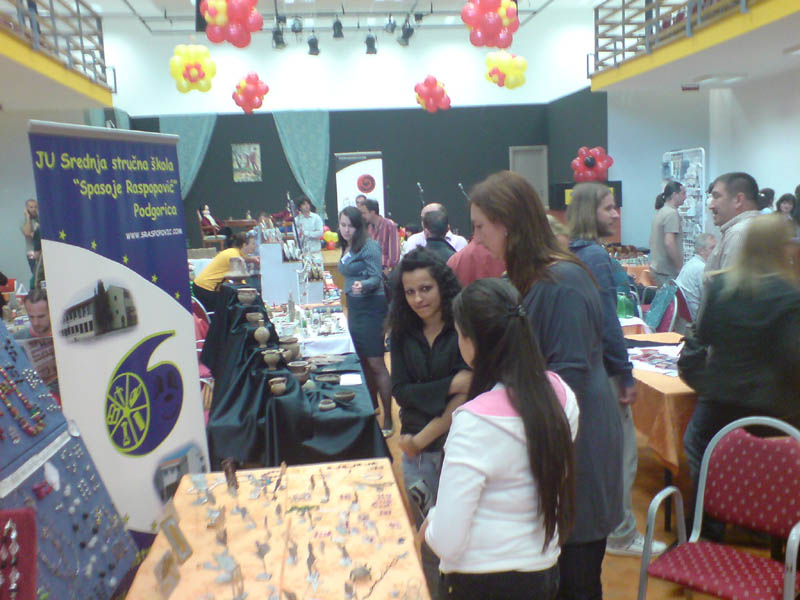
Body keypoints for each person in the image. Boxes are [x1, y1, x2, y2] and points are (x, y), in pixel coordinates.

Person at [469, 170, 622, 600]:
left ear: (507, 223)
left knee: (576, 576)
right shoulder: (537, 278)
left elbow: (565, 385)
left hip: (578, 446)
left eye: (480, 226)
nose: (476, 239)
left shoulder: (562, 282)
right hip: (559, 440)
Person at [422, 278, 579, 600]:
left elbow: (448, 541)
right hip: (543, 569)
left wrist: (431, 522)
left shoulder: (474, 423)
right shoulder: (562, 396)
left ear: (471, 343)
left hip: (480, 580)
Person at [683, 214, 800, 540]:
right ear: (782, 248)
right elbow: (793, 358)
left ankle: (707, 527)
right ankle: (764, 523)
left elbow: (704, 335)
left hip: (720, 397)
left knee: (701, 451)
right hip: (772, 406)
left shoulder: (722, 287)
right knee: (771, 461)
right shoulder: (790, 296)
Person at [566, 183, 665, 558]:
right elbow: (608, 323)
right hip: (603, 371)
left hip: (582, 368)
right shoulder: (595, 257)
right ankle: (620, 534)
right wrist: (624, 374)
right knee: (620, 457)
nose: (616, 213)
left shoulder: (571, 253)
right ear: (590, 212)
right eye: (608, 208)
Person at [388, 247, 470, 598]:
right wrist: (451, 384)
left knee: (460, 537)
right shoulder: (402, 333)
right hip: (416, 453)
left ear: (442, 287)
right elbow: (401, 391)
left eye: (426, 289)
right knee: (426, 536)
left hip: (456, 447)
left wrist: (424, 434)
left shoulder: (462, 328)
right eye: (410, 292)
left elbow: (470, 393)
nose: (418, 299)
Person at [337, 206, 394, 436]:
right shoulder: (347, 246)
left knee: (376, 362)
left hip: (371, 308)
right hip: (355, 308)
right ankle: (373, 407)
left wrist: (364, 285)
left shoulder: (369, 246)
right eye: (342, 225)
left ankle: (389, 418)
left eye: (350, 226)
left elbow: (376, 276)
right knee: (363, 361)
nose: (346, 230)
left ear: (359, 226)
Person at [705, 171, 763, 273]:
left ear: (738, 200)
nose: (711, 206)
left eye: (716, 196)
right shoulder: (756, 226)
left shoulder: (738, 234)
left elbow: (730, 282)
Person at [192, 232, 260, 312]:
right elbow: (239, 276)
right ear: (244, 245)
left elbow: (243, 258)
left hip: (202, 284)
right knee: (222, 311)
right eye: (253, 244)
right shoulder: (234, 256)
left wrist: (251, 259)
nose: (255, 246)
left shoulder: (233, 251)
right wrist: (249, 290)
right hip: (206, 288)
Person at [648, 181, 685, 286]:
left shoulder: (661, 212)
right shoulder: (671, 214)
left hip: (657, 268)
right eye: (683, 194)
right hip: (666, 272)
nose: (685, 197)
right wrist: (679, 267)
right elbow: (669, 243)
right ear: (674, 195)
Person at [674, 233, 717, 320]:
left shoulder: (691, 263)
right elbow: (709, 297)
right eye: (712, 248)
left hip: (685, 313)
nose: (716, 252)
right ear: (701, 251)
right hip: (697, 315)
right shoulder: (701, 268)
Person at [403, 203, 468, 255]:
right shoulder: (414, 240)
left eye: (431, 217)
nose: (424, 222)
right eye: (422, 219)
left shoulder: (459, 241)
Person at [359, 198, 400, 273]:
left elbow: (394, 257)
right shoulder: (368, 228)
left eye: (364, 213)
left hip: (386, 271)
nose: (362, 216)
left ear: (372, 212)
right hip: (371, 270)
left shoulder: (389, 226)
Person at [21, 198, 39, 274]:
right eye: (31, 207)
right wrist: (27, 218)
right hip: (31, 252)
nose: (34, 209)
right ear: (26, 208)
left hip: (42, 251)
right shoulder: (23, 221)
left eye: (35, 207)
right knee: (36, 274)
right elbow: (27, 233)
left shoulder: (41, 219)